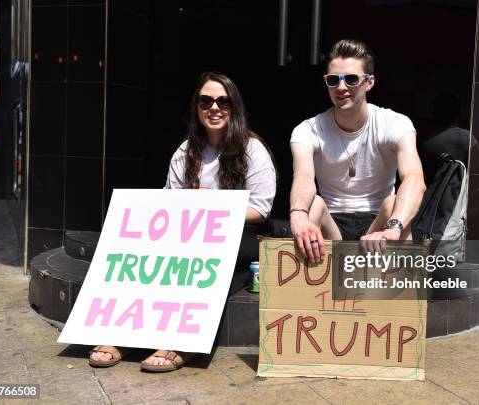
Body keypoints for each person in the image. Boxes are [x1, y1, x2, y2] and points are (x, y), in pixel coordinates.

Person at [89, 72, 276, 372]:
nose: (214, 108)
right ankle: (122, 334)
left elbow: (261, 209)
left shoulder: (252, 149)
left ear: (234, 107)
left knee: (206, 258)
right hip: (189, 233)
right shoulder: (185, 152)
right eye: (206, 101)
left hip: (240, 234)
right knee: (144, 256)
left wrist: (212, 205)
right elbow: (169, 202)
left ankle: (184, 344)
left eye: (222, 101)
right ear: (197, 108)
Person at [289, 39, 426, 262]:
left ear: (369, 82)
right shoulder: (308, 129)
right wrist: (297, 215)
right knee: (312, 204)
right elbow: (303, 176)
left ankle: (400, 292)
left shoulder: (394, 123)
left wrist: (393, 227)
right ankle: (304, 291)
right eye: (333, 80)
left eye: (351, 79)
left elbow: (414, 178)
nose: (341, 88)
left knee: (393, 204)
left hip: (379, 222)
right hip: (330, 223)